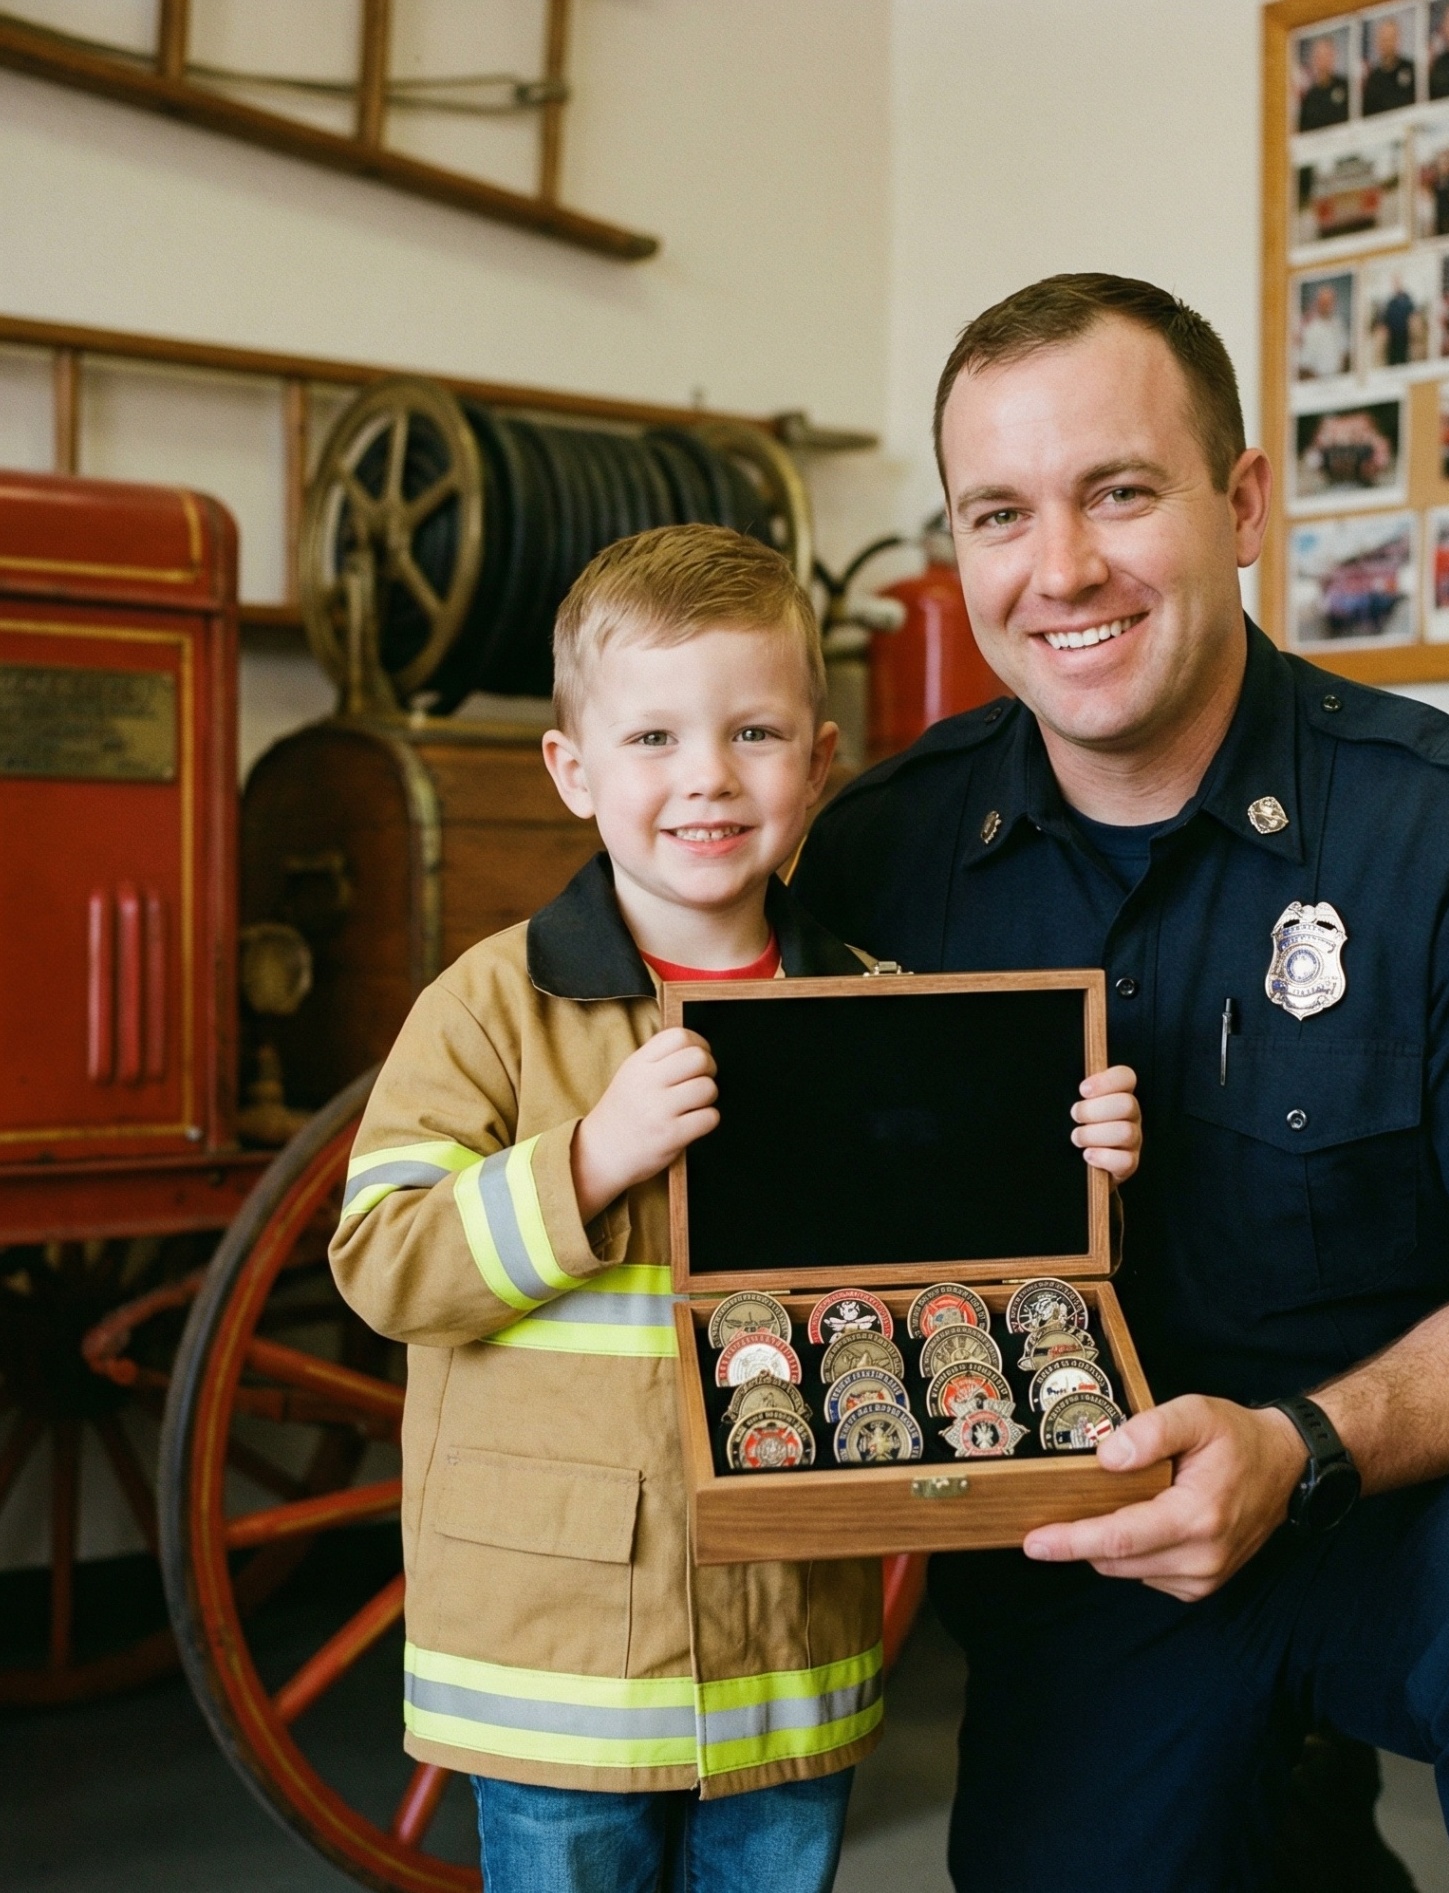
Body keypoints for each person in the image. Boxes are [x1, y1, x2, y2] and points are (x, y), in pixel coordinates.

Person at [793, 272, 1449, 1893]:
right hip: (1091, 1545)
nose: (1058, 569)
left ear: (1239, 506)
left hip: (1409, 1494)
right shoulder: (880, 857)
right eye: (999, 514)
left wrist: (1302, 1444)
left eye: (1117, 492)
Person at [327, 522, 1143, 1892]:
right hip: (556, 1658)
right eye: (652, 738)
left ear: (818, 765)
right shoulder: (485, 1006)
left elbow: (955, 1260)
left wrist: (1076, 1159)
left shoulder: (877, 1009)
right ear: (573, 770)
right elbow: (381, 1262)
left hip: (786, 1651)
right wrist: (588, 1160)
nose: (706, 775)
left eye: (753, 733)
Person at [1362, 13, 1418, 115]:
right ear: (1377, 42)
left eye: (1390, 38)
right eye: (1383, 39)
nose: (1387, 43)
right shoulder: (1373, 79)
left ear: (1397, 40)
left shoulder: (1411, 69)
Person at [1296, 282, 1351, 380]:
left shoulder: (1339, 323)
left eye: (1329, 301)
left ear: (1334, 303)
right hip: (1319, 382)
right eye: (1323, 302)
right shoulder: (1311, 329)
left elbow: (1345, 351)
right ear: (1317, 303)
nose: (1326, 305)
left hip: (1339, 379)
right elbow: (1304, 365)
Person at [1299, 33, 1351, 131]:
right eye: (1319, 56)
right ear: (1313, 59)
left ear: (1333, 56)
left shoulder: (1346, 86)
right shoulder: (1310, 96)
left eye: (1327, 55)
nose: (1323, 60)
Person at [1375, 275, 1418, 365]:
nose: (1396, 285)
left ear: (1401, 283)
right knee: (1392, 359)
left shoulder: (1407, 299)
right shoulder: (1390, 302)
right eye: (1395, 283)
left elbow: (1413, 316)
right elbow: (1384, 318)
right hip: (1392, 336)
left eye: (1398, 282)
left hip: (1404, 334)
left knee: (1403, 358)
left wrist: (1414, 332)